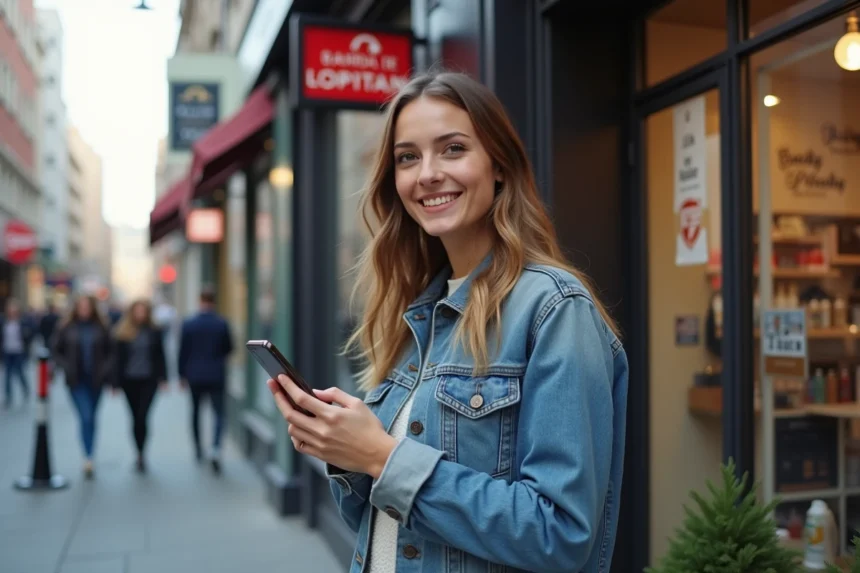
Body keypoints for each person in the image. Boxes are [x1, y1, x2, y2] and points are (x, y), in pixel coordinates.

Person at [266, 71, 629, 573]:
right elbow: (389, 527)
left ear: (499, 165)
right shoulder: (416, 315)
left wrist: (383, 457)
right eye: (408, 157)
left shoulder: (553, 309)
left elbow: (561, 534)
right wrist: (346, 451)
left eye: (453, 149)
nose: (427, 174)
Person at [52, 294, 113, 478]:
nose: (84, 310)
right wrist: (66, 367)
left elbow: (111, 352)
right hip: (76, 381)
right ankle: (88, 456)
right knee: (85, 417)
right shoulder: (66, 327)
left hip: (95, 380)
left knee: (92, 417)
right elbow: (55, 350)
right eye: (81, 307)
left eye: (87, 307)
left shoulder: (101, 327)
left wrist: (105, 370)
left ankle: (90, 452)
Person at [178, 287, 233, 474]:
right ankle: (215, 449)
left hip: (194, 375)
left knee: (195, 412)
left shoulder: (189, 323)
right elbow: (229, 348)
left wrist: (181, 375)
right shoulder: (221, 323)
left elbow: (182, 351)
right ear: (214, 301)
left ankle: (198, 449)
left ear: (199, 300)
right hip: (216, 375)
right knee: (219, 413)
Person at [112, 299, 167, 473]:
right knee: (135, 417)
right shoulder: (122, 332)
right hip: (129, 381)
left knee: (143, 416)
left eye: (143, 311)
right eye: (138, 311)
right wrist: (114, 383)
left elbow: (161, 355)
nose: (140, 314)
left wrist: (164, 378)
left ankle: (142, 454)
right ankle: (138, 451)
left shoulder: (154, 331)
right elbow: (117, 360)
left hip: (149, 380)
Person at [1, 298, 35, 408]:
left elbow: (31, 333)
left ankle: (25, 389)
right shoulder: (4, 322)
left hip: (19, 351)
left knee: (19, 373)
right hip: (7, 351)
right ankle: (8, 397)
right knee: (7, 375)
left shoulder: (23, 321)